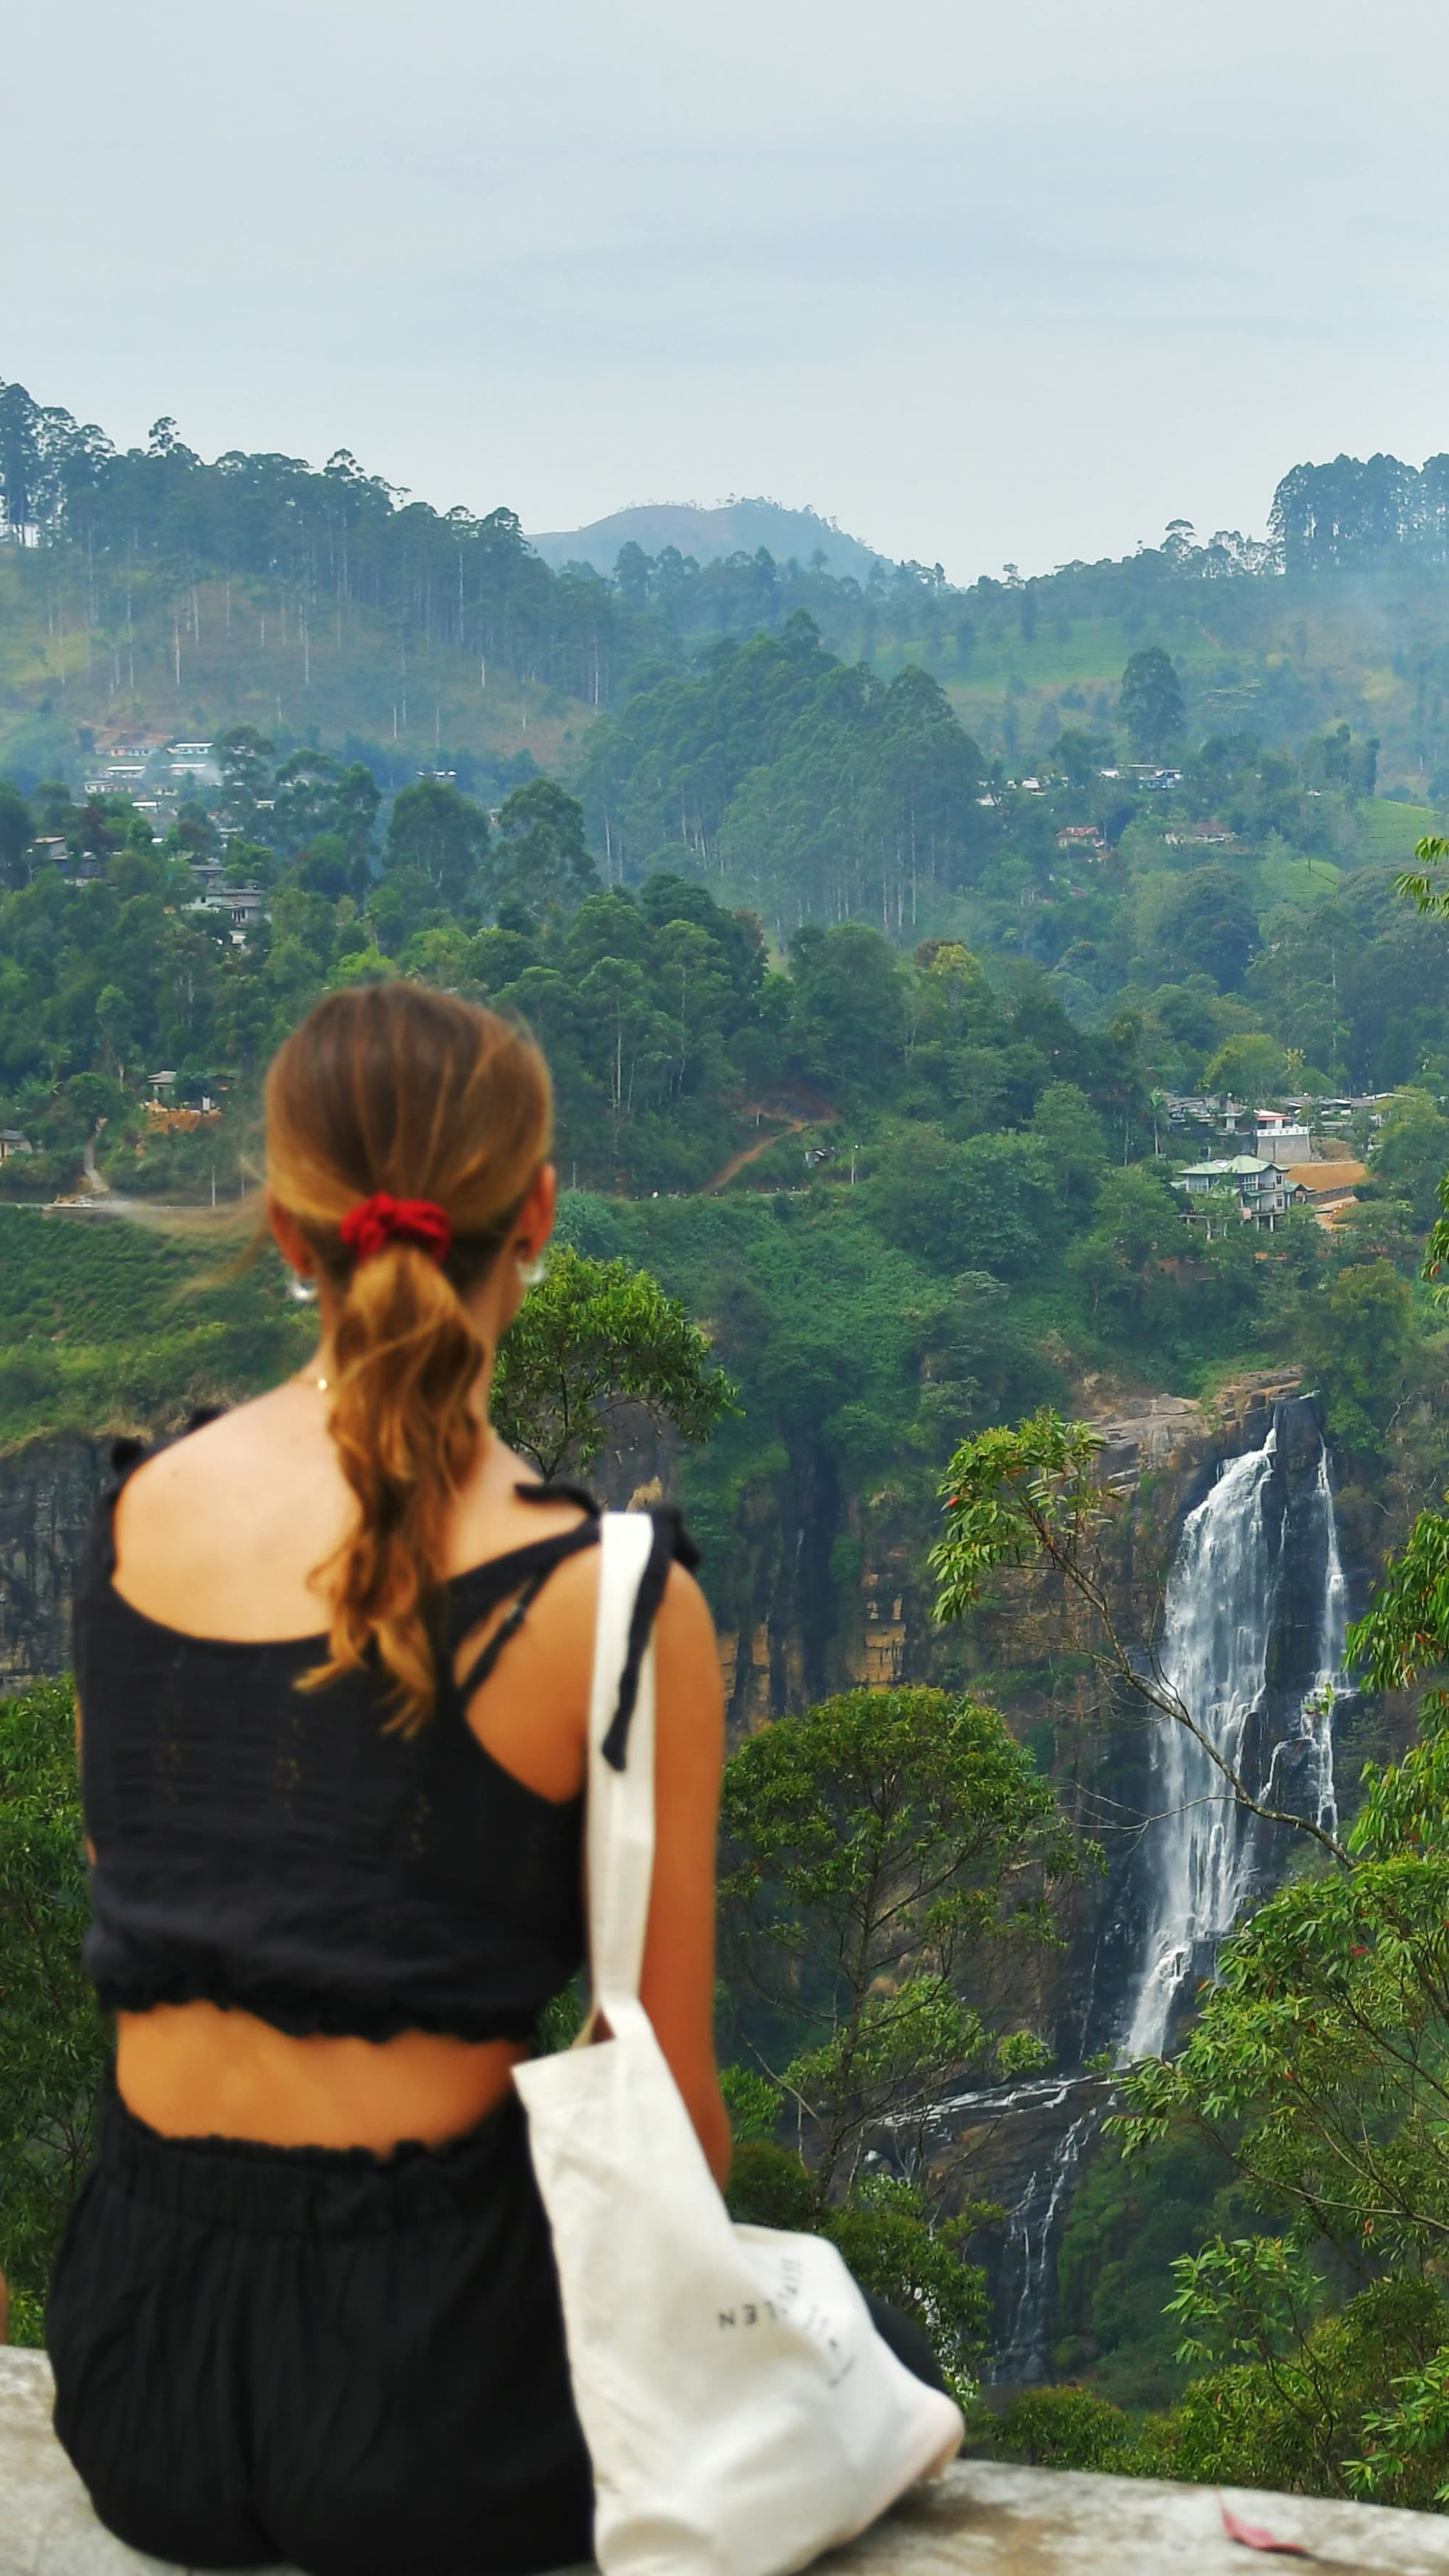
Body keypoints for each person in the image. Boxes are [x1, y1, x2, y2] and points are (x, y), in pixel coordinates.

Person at [45, 981, 727, 2576]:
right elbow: (664, 2094)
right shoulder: (609, 1595)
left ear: (290, 1230)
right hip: (439, 2409)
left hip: (142, 2378)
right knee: (864, 2351)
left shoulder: (138, 1511)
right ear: (536, 1213)